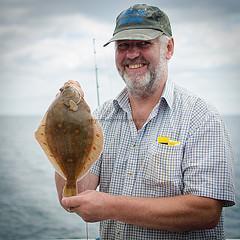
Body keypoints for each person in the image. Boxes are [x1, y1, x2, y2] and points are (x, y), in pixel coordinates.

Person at [56, 4, 235, 239]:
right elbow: (75, 194)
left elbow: (206, 211)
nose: (131, 55)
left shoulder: (201, 116)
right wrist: (63, 133)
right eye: (123, 46)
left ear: (168, 48)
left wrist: (111, 206)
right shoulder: (100, 117)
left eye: (143, 44)